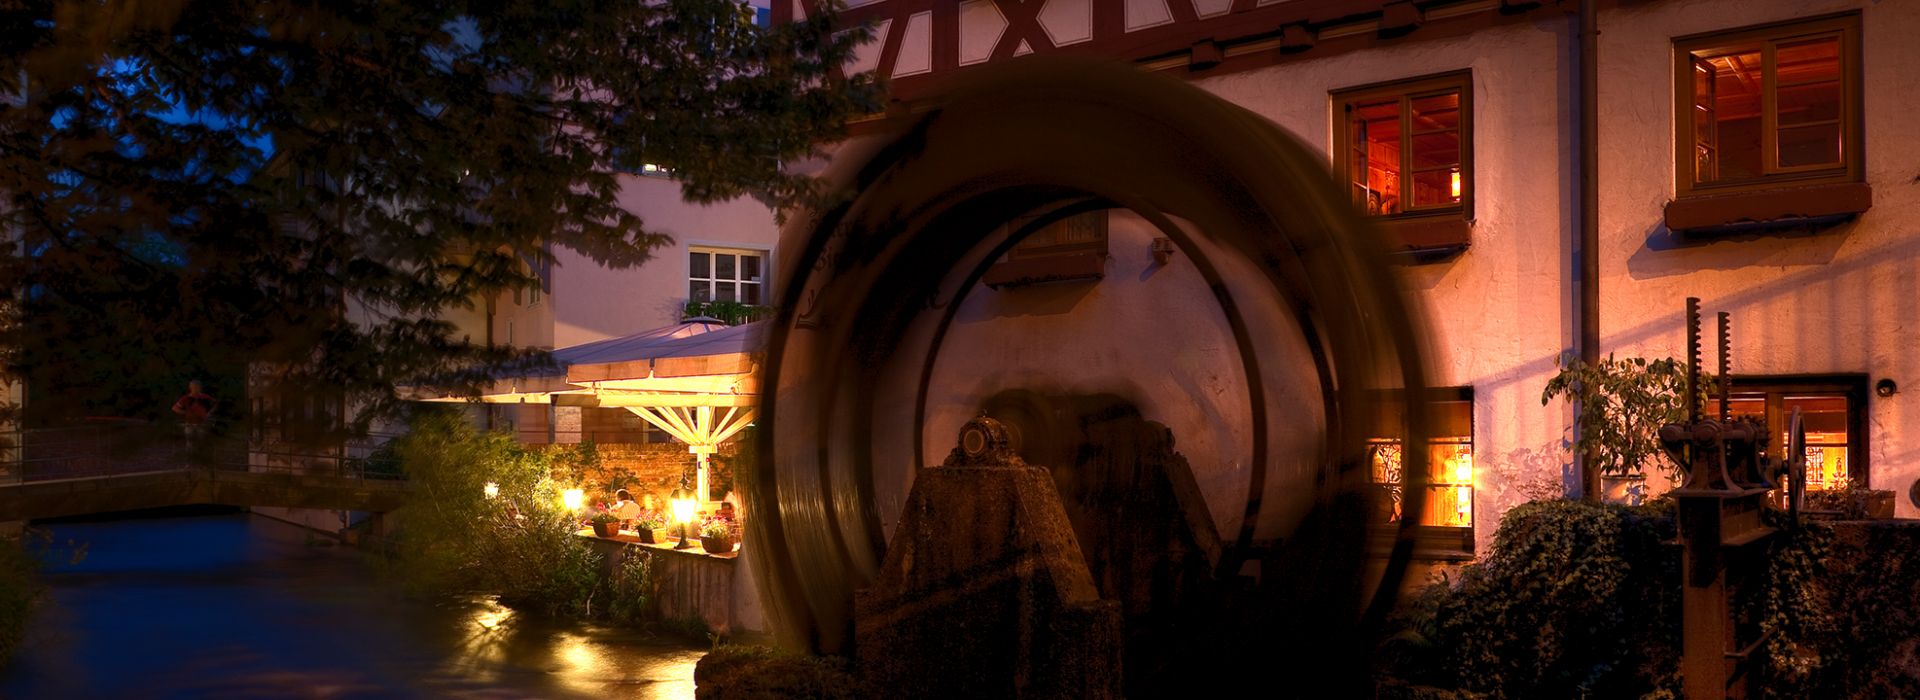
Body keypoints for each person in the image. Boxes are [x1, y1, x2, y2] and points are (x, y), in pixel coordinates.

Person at [171, 379, 216, 446]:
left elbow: (216, 404)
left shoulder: (206, 397)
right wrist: (186, 413)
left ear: (200, 388)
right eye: (193, 387)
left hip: (202, 423)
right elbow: (174, 408)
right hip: (189, 423)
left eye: (196, 387)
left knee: (202, 441)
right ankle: (190, 455)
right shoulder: (185, 398)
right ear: (190, 387)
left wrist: (209, 413)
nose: (195, 389)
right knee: (190, 442)